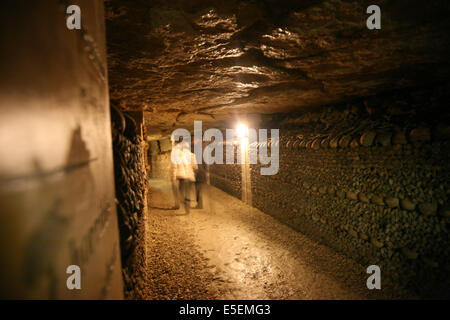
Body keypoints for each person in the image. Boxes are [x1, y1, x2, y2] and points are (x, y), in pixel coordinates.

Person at [170, 141, 197, 214]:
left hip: (182, 177)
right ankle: (187, 208)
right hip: (190, 177)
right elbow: (195, 167)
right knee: (187, 193)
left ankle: (184, 204)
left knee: (182, 193)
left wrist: (173, 177)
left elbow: (174, 167)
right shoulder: (192, 155)